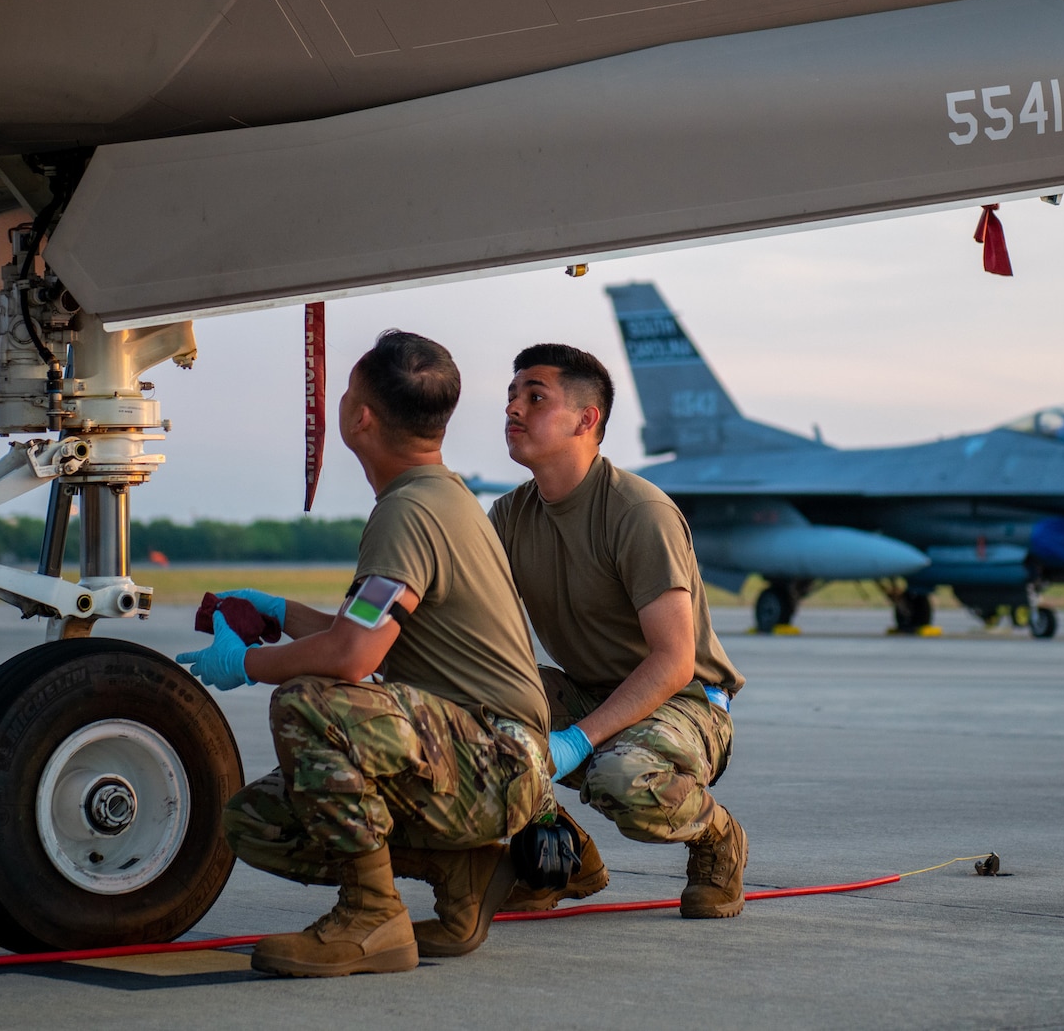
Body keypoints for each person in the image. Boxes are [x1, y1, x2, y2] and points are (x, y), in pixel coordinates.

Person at [175, 330, 551, 977]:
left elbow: (351, 658)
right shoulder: (439, 496)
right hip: (483, 754)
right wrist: (277, 611)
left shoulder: (409, 511)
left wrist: (244, 665)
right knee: (258, 820)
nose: (342, 404)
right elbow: (368, 634)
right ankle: (460, 874)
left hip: (495, 757)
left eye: (346, 392)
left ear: (361, 417)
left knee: (310, 702)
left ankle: (372, 915)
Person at [488, 343, 748, 918]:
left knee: (622, 778)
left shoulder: (637, 512)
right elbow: (472, 626)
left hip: (682, 703)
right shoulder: (509, 517)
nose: (513, 409)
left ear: (587, 419)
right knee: (472, 706)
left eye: (535, 397)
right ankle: (563, 855)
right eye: (511, 396)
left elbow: (674, 660)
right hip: (589, 690)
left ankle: (717, 837)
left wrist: (576, 740)